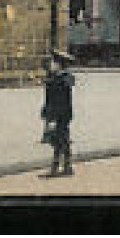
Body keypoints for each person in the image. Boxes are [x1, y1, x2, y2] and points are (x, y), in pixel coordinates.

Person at [39, 50, 76, 178]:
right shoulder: (55, 77)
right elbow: (48, 98)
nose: (51, 65)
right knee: (61, 139)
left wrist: (53, 116)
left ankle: (58, 167)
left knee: (59, 139)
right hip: (56, 113)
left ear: (60, 64)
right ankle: (66, 166)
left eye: (53, 62)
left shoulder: (64, 78)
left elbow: (60, 97)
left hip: (61, 114)